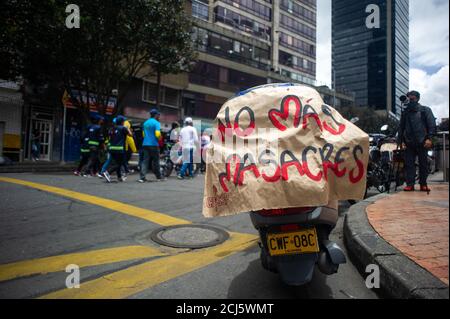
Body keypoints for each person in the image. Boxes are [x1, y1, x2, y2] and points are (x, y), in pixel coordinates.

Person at [397, 90, 437, 192]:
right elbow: (401, 127)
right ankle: (410, 184)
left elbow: (432, 125)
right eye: (409, 98)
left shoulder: (425, 110)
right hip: (408, 142)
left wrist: (429, 138)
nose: (410, 100)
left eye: (412, 98)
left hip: (422, 141)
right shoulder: (405, 112)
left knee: (423, 164)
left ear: (418, 99)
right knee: (409, 164)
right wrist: (400, 141)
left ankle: (423, 184)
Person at [102, 116, 132, 183]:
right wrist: (128, 128)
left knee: (117, 162)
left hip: (112, 148)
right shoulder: (123, 128)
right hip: (119, 148)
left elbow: (109, 137)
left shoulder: (112, 128)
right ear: (122, 122)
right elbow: (130, 135)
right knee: (119, 163)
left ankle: (119, 177)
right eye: (123, 121)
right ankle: (107, 172)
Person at [138, 109, 165, 182]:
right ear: (155, 115)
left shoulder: (145, 123)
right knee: (156, 161)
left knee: (145, 161)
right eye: (158, 115)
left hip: (145, 143)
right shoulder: (156, 123)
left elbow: (143, 134)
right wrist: (160, 138)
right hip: (153, 144)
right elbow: (157, 134)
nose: (159, 116)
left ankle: (142, 177)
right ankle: (159, 177)